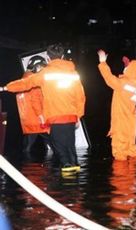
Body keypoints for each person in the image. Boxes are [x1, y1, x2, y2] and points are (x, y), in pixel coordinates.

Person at [0, 44, 86, 172]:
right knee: (70, 147)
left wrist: (5, 88)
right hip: (71, 116)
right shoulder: (73, 73)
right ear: (62, 56)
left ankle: (67, 181)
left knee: (60, 150)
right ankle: (75, 179)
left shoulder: (45, 74)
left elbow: (26, 83)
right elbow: (81, 96)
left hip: (55, 117)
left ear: (48, 59)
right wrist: (78, 115)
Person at [97, 50, 136, 161]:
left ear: (131, 70)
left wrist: (103, 62)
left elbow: (109, 79)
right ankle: (132, 174)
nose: (125, 68)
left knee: (119, 151)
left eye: (128, 67)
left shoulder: (124, 84)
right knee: (131, 148)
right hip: (131, 121)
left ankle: (121, 176)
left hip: (121, 121)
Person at [16, 56, 51, 160]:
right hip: (39, 121)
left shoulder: (23, 79)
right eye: (42, 67)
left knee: (27, 149)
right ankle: (53, 173)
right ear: (37, 66)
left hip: (28, 122)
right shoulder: (33, 80)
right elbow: (36, 100)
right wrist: (42, 116)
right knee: (52, 147)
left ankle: (25, 172)